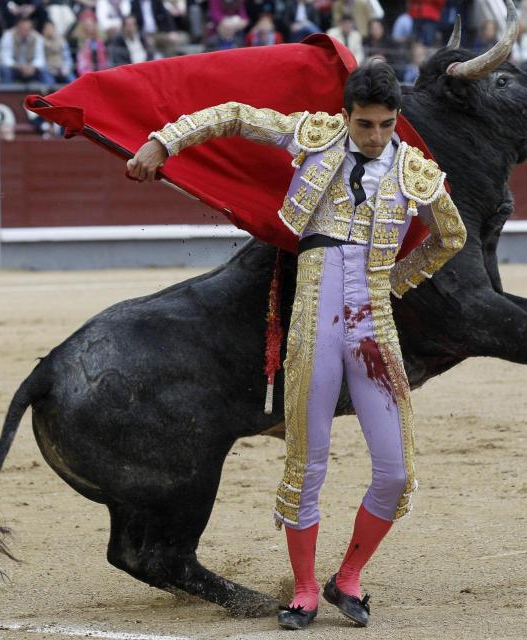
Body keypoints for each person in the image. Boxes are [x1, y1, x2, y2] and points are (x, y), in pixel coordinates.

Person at [126, 62, 466, 630]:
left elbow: (449, 236)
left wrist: (394, 280)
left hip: (373, 327)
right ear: (346, 114)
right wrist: (165, 140)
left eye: (386, 125)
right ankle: (306, 589)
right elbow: (234, 115)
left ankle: (348, 577)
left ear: (397, 119)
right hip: (313, 322)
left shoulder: (417, 172)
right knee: (306, 463)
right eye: (365, 124)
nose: (376, 136)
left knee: (396, 473)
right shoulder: (314, 135)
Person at [0, 15, 53, 83]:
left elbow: (40, 58)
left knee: (44, 70)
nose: (25, 32)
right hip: (14, 69)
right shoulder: (8, 36)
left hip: (31, 69)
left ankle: (49, 92)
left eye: (27, 29)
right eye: (22, 29)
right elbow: (5, 58)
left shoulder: (37, 37)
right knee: (5, 70)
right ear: (17, 27)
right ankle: (5, 93)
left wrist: (32, 67)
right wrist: (19, 67)